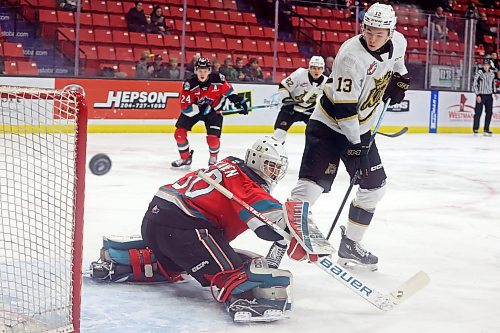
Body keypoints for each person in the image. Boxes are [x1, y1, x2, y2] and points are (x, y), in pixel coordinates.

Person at [288, 2, 410, 270]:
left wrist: (401, 79)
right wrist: (356, 145)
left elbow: (398, 63)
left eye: (380, 33)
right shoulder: (350, 57)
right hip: (329, 127)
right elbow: (344, 110)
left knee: (375, 186)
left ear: (391, 31)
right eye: (369, 31)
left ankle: (350, 245)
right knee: (313, 186)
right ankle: (286, 235)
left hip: (362, 128)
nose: (373, 37)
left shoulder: (398, 41)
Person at [142, 137, 294, 322]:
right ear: (256, 160)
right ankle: (246, 298)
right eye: (271, 166)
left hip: (153, 222)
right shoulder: (249, 185)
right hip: (185, 233)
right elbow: (268, 228)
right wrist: (294, 231)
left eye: (277, 168)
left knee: (236, 258)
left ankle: (145, 259)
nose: (274, 172)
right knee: (238, 275)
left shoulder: (229, 164)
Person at [171, 57, 249, 167]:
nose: (202, 73)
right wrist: (202, 110)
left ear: (209, 71)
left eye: (205, 71)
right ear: (195, 71)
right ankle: (185, 158)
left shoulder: (218, 79)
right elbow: (185, 107)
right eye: (200, 71)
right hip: (195, 111)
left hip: (214, 112)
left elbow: (230, 93)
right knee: (179, 134)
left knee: (213, 139)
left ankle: (213, 160)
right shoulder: (190, 84)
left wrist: (238, 101)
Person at [272, 56, 327, 142]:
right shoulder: (300, 74)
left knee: (319, 134)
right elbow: (283, 86)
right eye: (314, 68)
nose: (316, 71)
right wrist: (286, 100)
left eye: (319, 68)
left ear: (323, 69)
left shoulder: (326, 82)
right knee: (279, 133)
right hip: (291, 109)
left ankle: (316, 154)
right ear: (309, 68)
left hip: (310, 111)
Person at [472, 58, 496, 136]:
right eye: (485, 65)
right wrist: (477, 95)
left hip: (489, 95)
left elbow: (493, 83)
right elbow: (475, 84)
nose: (486, 67)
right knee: (478, 112)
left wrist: (494, 92)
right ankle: (475, 128)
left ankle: (486, 129)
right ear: (483, 65)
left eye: (487, 65)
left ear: (489, 66)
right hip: (481, 95)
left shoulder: (492, 73)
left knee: (489, 112)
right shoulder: (479, 73)